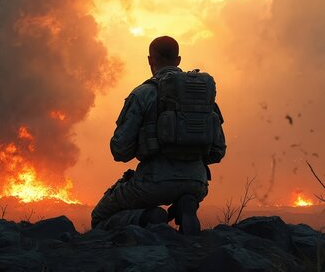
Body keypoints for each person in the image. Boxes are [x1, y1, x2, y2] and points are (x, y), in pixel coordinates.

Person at [91, 36, 226, 235]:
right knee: (186, 192)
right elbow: (218, 151)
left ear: (149, 60)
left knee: (100, 216)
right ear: (178, 60)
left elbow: (120, 150)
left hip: (153, 183)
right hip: (196, 183)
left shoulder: (142, 93)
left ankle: (148, 218)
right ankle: (184, 204)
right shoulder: (202, 95)